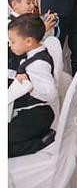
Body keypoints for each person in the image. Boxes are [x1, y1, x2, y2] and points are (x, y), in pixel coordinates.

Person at [8, 14, 58, 157]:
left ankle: (42, 142)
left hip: (37, 116)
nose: (10, 45)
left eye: (13, 42)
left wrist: (30, 87)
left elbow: (51, 94)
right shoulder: (32, 53)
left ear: (28, 41)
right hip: (32, 112)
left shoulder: (39, 63)